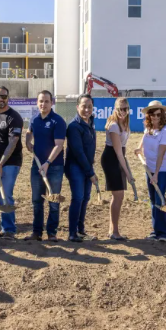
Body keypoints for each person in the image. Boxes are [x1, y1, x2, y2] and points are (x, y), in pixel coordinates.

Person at [25, 90, 66, 242]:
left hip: (54, 167)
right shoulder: (34, 119)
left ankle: (52, 233)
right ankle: (37, 233)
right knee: (37, 201)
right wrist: (27, 140)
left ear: (52, 103)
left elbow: (59, 145)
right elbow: (29, 131)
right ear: (37, 102)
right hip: (36, 166)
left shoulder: (58, 121)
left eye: (46, 101)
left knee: (53, 200)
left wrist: (48, 163)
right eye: (41, 101)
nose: (43, 104)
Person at [135, 100, 166, 242]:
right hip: (150, 167)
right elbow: (145, 137)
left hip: (163, 168)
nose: (155, 117)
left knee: (159, 197)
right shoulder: (149, 128)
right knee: (152, 199)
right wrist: (139, 148)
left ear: (162, 114)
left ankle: (163, 233)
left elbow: (161, 154)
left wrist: (156, 174)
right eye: (152, 114)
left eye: (158, 114)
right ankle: (155, 230)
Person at [0, 86, 23, 240]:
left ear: (8, 98)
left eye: (3, 96)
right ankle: (5, 227)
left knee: (5, 195)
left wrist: (1, 163)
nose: (0, 99)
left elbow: (13, 142)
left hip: (10, 162)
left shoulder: (14, 117)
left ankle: (10, 230)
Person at [65, 94, 97, 243]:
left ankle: (80, 230)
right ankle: (72, 233)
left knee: (85, 198)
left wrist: (90, 167)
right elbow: (78, 152)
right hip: (75, 167)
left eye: (89, 106)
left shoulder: (90, 123)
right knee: (78, 198)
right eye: (84, 106)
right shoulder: (73, 127)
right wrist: (90, 172)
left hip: (86, 167)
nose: (87, 109)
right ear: (77, 107)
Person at [100, 97, 133, 241]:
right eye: (120, 109)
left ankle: (111, 229)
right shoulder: (113, 126)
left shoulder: (124, 123)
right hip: (111, 159)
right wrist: (128, 174)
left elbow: (122, 152)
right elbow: (118, 152)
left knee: (119, 195)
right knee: (118, 195)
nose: (123, 112)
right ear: (115, 109)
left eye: (125, 108)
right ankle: (115, 232)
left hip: (119, 157)